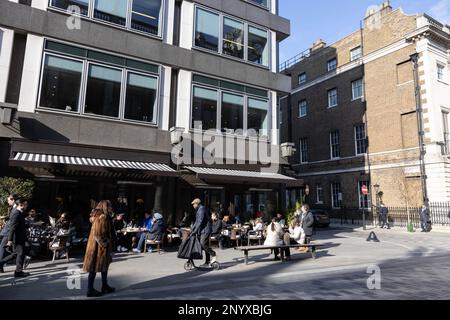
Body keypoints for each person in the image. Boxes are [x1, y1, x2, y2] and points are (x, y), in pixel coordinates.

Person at [83, 200, 115, 298]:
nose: (111, 208)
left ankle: (104, 286)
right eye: (109, 207)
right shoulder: (102, 217)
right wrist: (106, 243)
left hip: (97, 247)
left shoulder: (102, 216)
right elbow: (98, 234)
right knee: (93, 268)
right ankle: (90, 290)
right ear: (105, 207)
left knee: (103, 267)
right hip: (97, 248)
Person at [0, 198, 30, 277]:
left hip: (20, 237)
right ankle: (18, 272)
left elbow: (18, 225)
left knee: (16, 254)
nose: (27, 205)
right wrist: (9, 240)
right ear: (21, 204)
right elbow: (12, 227)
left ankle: (1, 263)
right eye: (25, 204)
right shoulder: (16, 213)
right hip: (17, 238)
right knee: (20, 254)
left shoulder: (20, 212)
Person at [191, 198, 216, 267]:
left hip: (206, 229)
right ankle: (207, 262)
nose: (193, 205)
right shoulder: (199, 209)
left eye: (193, 204)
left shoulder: (201, 209)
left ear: (197, 204)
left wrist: (194, 231)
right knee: (205, 244)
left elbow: (200, 221)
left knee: (202, 244)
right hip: (203, 230)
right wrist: (192, 229)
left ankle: (213, 253)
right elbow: (196, 221)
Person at [0, 194, 18, 269]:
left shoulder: (16, 209)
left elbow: (13, 223)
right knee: (5, 249)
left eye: (8, 200)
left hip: (9, 232)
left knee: (2, 248)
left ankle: (0, 265)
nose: (7, 201)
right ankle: (1, 266)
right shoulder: (12, 208)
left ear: (13, 200)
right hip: (8, 231)